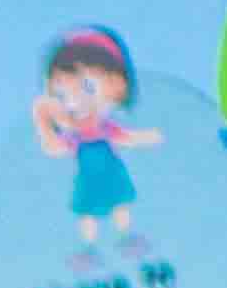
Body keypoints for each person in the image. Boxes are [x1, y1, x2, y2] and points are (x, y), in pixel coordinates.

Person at [34, 24, 165, 263]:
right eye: (62, 94)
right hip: (89, 179)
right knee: (88, 214)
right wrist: (43, 122)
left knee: (120, 205)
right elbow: (53, 148)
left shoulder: (105, 129)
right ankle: (88, 249)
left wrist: (150, 137)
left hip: (110, 173)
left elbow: (126, 137)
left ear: (117, 87)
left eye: (87, 87)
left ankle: (126, 238)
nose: (75, 102)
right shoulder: (75, 136)